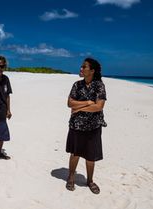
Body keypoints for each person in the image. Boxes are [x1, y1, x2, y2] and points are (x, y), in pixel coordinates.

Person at [65, 57, 107, 194]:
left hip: (93, 127)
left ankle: (89, 180)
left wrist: (78, 108)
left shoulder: (99, 85)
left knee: (91, 156)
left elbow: (99, 106)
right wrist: (88, 102)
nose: (81, 69)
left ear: (92, 70)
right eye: (81, 67)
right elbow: (70, 103)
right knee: (75, 153)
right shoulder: (77, 85)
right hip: (76, 125)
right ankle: (71, 177)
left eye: (84, 67)